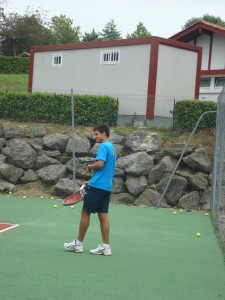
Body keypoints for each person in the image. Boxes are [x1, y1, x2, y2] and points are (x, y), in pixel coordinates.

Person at [64, 124, 116, 256]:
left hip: (98, 187)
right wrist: (90, 181)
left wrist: (90, 166)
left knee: (85, 213)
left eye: (97, 134)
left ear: (104, 133)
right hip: (106, 187)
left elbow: (100, 164)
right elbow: (106, 169)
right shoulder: (112, 147)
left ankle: (78, 244)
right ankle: (106, 247)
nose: (95, 137)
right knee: (103, 215)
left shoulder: (103, 146)